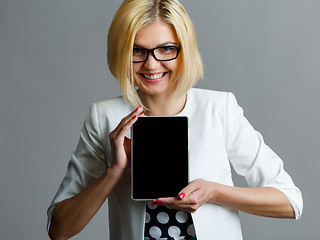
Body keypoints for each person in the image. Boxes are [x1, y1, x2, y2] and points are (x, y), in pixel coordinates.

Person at [47, 0, 303, 239]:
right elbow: (59, 230)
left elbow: (291, 202)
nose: (151, 65)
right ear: (121, 52)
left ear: (184, 50)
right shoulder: (104, 117)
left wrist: (214, 192)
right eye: (137, 50)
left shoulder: (218, 108)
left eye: (166, 49)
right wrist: (115, 171)